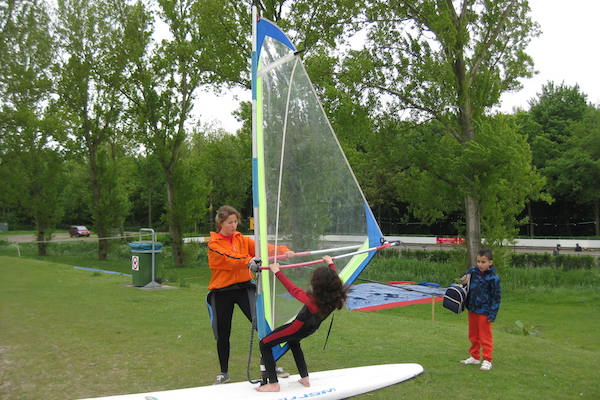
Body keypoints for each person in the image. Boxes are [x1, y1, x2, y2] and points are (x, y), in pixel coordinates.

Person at [206, 205, 294, 385]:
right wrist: (248, 261)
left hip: (244, 288)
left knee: (261, 326)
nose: (234, 225)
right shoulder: (214, 244)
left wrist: (283, 251)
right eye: (230, 222)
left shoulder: (242, 240)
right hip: (221, 292)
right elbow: (229, 259)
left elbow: (263, 249)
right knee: (223, 333)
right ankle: (224, 373)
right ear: (221, 223)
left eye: (236, 221)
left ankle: (272, 365)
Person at [256, 255, 347, 392]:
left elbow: (293, 290)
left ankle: (273, 384)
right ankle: (305, 378)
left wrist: (277, 272)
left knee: (264, 344)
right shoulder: (336, 296)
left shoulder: (312, 302)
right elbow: (333, 279)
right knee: (294, 342)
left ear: (318, 284)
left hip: (296, 328)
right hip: (310, 329)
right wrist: (330, 263)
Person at [459, 248, 501, 371]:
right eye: (478, 261)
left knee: (485, 336)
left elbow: (496, 298)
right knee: (473, 335)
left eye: (483, 262)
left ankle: (487, 360)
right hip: (472, 308)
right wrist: (464, 279)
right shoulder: (473, 271)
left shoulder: (494, 278)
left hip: (485, 311)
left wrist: (492, 314)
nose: (480, 264)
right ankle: (475, 356)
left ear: (490, 262)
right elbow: (466, 278)